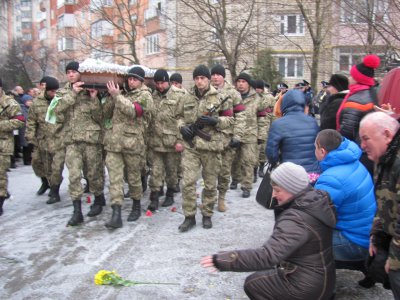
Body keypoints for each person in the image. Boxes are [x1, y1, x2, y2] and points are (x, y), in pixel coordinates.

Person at [201, 162, 336, 300]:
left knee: (254, 284)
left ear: (293, 189)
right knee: (267, 275)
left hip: (309, 288)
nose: (273, 195)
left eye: (277, 190)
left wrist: (223, 260)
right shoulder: (314, 201)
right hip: (323, 278)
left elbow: (267, 256)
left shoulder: (296, 220)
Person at [177, 64, 233, 232]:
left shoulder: (221, 97)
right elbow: (178, 116)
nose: (199, 81)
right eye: (197, 78)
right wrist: (181, 128)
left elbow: (230, 120)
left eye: (202, 78)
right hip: (191, 146)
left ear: (208, 79)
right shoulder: (186, 97)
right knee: (187, 182)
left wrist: (216, 121)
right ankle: (189, 216)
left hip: (211, 146)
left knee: (210, 184)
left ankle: (207, 214)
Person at [314, 129, 376, 272]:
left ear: (322, 151)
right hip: (367, 233)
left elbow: (318, 215)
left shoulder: (331, 177)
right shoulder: (353, 161)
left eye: (314, 147)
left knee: (305, 244)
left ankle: (325, 288)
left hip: (355, 241)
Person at [53, 61, 105, 226]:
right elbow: (56, 112)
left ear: (80, 73)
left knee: (94, 173)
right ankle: (77, 211)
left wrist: (94, 98)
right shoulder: (62, 93)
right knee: (74, 176)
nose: (71, 74)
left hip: (91, 141)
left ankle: (98, 199)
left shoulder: (92, 90)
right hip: (72, 141)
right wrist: (72, 94)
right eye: (68, 72)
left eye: (74, 71)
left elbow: (100, 118)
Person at [102, 66, 153, 229]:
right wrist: (110, 96)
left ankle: (136, 205)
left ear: (141, 81)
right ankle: (116, 213)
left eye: (135, 79)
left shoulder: (146, 95)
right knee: (115, 179)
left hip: (132, 144)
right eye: (129, 78)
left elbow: (134, 112)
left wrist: (117, 96)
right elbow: (106, 114)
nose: (131, 81)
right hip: (114, 144)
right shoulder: (121, 93)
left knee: (133, 177)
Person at [360, 111, 400, 297]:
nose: (362, 145)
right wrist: (376, 235)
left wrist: (395, 258)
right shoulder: (383, 158)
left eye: (366, 138)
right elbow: (383, 201)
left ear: (387, 134)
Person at [147, 69, 184, 212]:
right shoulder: (153, 96)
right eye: (157, 83)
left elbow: (183, 118)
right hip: (156, 142)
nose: (160, 86)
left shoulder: (179, 95)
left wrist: (180, 140)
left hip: (172, 142)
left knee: (172, 171)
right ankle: (154, 197)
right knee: (155, 171)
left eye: (162, 83)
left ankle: (170, 193)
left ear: (167, 81)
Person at [336, 54, 380, 175]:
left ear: (357, 78)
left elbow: (347, 132)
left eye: (351, 75)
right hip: (370, 151)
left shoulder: (355, 100)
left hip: (357, 154)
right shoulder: (372, 94)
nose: (349, 78)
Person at [210, 64, 246, 212]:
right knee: (210, 172)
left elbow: (241, 115)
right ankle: (209, 199)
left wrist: (237, 136)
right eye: (213, 74)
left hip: (227, 140)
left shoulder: (233, 93)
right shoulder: (207, 91)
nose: (215, 77)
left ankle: (221, 198)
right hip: (210, 140)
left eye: (218, 74)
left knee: (224, 172)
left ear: (223, 76)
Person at [26, 76, 66, 204]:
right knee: (39, 164)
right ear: (46, 90)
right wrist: (30, 136)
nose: (54, 93)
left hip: (59, 139)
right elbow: (31, 121)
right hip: (43, 140)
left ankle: (55, 191)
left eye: (56, 91)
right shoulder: (37, 102)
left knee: (56, 168)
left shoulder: (61, 100)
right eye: (51, 91)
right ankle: (45, 182)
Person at [230, 72, 267, 198]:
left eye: (243, 82)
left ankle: (246, 186)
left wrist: (262, 135)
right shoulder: (232, 96)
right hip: (234, 133)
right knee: (234, 159)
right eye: (238, 81)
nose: (240, 84)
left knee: (248, 161)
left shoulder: (257, 98)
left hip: (250, 134)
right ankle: (235, 179)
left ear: (248, 84)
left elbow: (263, 118)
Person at [266, 89, 320, 173]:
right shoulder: (312, 122)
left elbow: (272, 153)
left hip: (290, 174)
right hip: (311, 173)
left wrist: (275, 163)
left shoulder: (278, 124)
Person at [0, 77, 25, 216]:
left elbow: (20, 121)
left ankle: (1, 199)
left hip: (3, 145)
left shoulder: (10, 103)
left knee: (0, 174)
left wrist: (1, 125)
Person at [254, 79, 275, 179]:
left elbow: (273, 113)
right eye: (256, 88)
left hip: (265, 126)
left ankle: (261, 167)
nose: (257, 90)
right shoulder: (252, 96)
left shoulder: (269, 97)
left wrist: (273, 127)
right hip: (253, 125)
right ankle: (253, 171)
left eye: (259, 88)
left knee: (262, 149)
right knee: (254, 149)